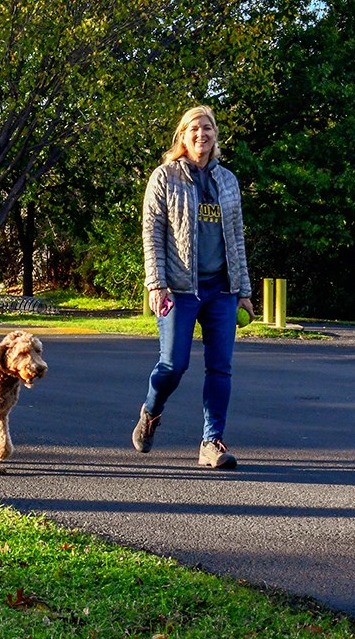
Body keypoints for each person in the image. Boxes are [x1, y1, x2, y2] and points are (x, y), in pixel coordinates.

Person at [133, 105, 253, 468]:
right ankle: (151, 411)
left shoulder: (227, 180)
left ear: (216, 136)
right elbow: (152, 235)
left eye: (208, 129)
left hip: (221, 289)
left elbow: (236, 238)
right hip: (179, 289)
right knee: (173, 364)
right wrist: (157, 284)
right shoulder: (164, 177)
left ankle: (211, 442)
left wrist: (243, 290)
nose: (202, 135)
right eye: (194, 129)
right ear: (182, 137)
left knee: (221, 367)